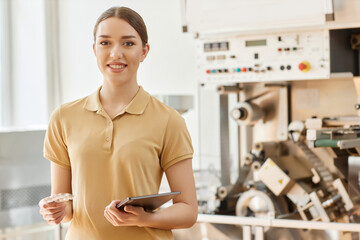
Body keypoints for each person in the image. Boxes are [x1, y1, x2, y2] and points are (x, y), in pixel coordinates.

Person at [39, 6, 198, 240]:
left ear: (144, 51)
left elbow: (188, 210)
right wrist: (57, 210)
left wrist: (144, 218)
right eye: (105, 43)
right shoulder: (63, 117)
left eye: (128, 43)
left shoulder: (168, 120)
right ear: (94, 49)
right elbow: (66, 207)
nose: (115, 53)